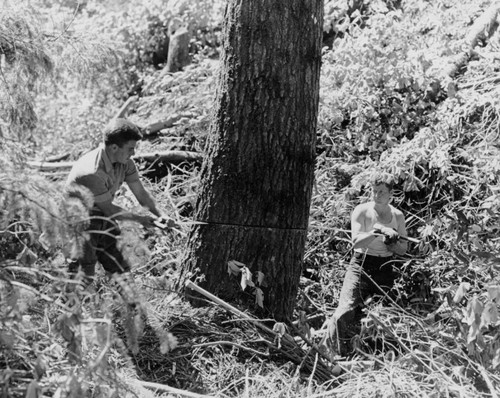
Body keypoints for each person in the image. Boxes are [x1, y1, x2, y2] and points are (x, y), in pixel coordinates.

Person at [65, 118, 176, 281]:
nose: (134, 153)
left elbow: (141, 193)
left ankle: (123, 303)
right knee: (82, 273)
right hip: (80, 221)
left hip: (101, 215)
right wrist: (142, 219)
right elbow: (109, 210)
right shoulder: (92, 172)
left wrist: (160, 215)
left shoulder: (125, 163)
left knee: (120, 267)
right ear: (114, 147)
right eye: (131, 148)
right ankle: (76, 302)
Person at [326, 172, 408, 356]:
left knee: (383, 314)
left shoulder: (398, 216)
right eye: (374, 191)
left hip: (384, 266)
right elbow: (356, 242)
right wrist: (378, 232)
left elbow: (403, 249)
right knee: (345, 311)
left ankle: (378, 356)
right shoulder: (362, 211)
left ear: (390, 194)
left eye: (381, 192)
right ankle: (335, 355)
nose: (377, 195)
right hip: (361, 265)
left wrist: (392, 242)